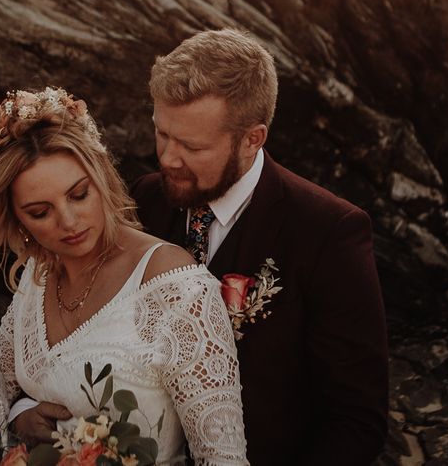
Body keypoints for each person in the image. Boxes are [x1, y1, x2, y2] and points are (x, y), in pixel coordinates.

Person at [0, 87, 247, 465]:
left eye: (78, 194)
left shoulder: (178, 290)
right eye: (40, 212)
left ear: (101, 178)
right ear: (18, 221)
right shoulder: (37, 276)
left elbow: (223, 459)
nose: (69, 222)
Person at [131, 29, 389, 465]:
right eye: (162, 133)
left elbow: (357, 420)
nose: (168, 158)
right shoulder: (146, 199)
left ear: (253, 138)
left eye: (192, 146)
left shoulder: (329, 232)